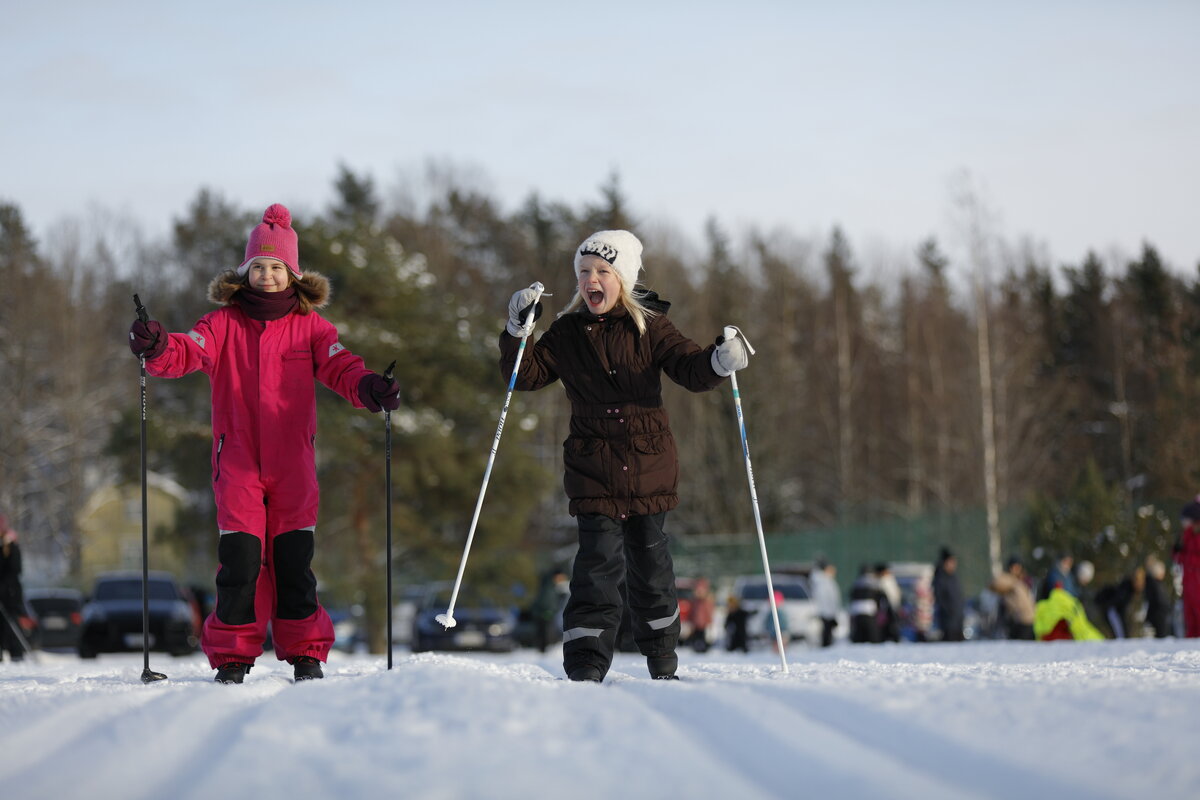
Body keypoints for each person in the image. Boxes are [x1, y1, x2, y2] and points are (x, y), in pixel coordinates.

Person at [127, 204, 400, 684]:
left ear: (293, 273)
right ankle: (233, 654)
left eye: (276, 267)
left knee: (295, 561)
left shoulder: (311, 327)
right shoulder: (222, 324)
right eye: (258, 266)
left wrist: (370, 388)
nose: (267, 275)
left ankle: (305, 651)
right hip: (237, 461)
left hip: (293, 463)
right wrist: (158, 346)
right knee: (240, 562)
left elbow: (341, 366)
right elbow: (187, 350)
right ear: (244, 272)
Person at [499, 229, 749, 682]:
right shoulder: (567, 331)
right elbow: (525, 376)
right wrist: (519, 330)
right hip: (593, 465)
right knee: (597, 564)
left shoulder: (650, 326)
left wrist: (719, 360)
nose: (591, 280)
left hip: (648, 462)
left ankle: (662, 658)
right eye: (583, 272)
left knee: (651, 564)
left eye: (602, 271)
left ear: (624, 279)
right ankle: (586, 663)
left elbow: (690, 369)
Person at [0, 514, 29, 662]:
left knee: (12, 625)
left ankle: (17, 655)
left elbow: (15, 570)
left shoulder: (11, 545)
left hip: (9, 594)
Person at [990, 555, 1035, 640]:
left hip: (1029, 619)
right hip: (1017, 619)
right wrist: (1012, 584)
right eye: (1014, 566)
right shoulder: (1008, 579)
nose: (1016, 569)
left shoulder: (1024, 580)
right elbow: (994, 584)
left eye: (1018, 567)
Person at [1095, 567, 1146, 639]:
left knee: (1122, 634)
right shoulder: (1125, 589)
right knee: (1120, 636)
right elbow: (1118, 603)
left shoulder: (1129, 589)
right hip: (1113, 611)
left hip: (1115, 611)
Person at [1176, 496, 1200, 638]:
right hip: (1188, 581)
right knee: (1189, 614)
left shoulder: (1196, 536)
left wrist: (1186, 559)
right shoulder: (1186, 535)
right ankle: (1190, 639)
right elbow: (1179, 557)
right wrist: (1177, 551)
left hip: (1197, 579)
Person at [529, 568, 569, 653]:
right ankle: (543, 650)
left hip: (545, 612)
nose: (562, 580)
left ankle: (543, 649)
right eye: (561, 577)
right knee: (544, 632)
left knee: (544, 632)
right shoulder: (549, 587)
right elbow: (546, 601)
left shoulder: (551, 585)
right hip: (543, 612)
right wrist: (549, 610)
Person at [932, 546, 964, 642]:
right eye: (951, 562)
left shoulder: (953, 577)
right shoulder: (940, 578)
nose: (954, 565)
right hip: (948, 621)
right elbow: (940, 598)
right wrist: (949, 611)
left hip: (958, 619)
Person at [809, 558, 841, 647]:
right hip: (826, 613)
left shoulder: (825, 580)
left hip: (828, 612)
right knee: (825, 636)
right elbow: (824, 598)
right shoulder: (823, 581)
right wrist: (829, 612)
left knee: (827, 635)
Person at [848, 565, 883, 644]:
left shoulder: (856, 583)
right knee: (873, 637)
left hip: (857, 612)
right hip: (870, 612)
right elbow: (879, 597)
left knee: (859, 637)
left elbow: (851, 597)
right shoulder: (874, 583)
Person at [1143, 556, 1172, 638]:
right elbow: (1156, 601)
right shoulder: (1154, 584)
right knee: (1160, 636)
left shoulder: (1156, 584)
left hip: (1160, 613)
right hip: (1158, 615)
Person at [685, 577, 716, 652]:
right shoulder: (694, 601)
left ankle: (703, 648)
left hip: (704, 625)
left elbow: (709, 613)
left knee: (703, 639)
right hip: (695, 624)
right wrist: (689, 620)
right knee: (695, 639)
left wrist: (709, 622)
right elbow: (691, 612)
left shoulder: (707, 601)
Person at [875, 563, 901, 642]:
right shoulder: (887, 580)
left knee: (891, 626)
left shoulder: (885, 580)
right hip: (890, 606)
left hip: (890, 606)